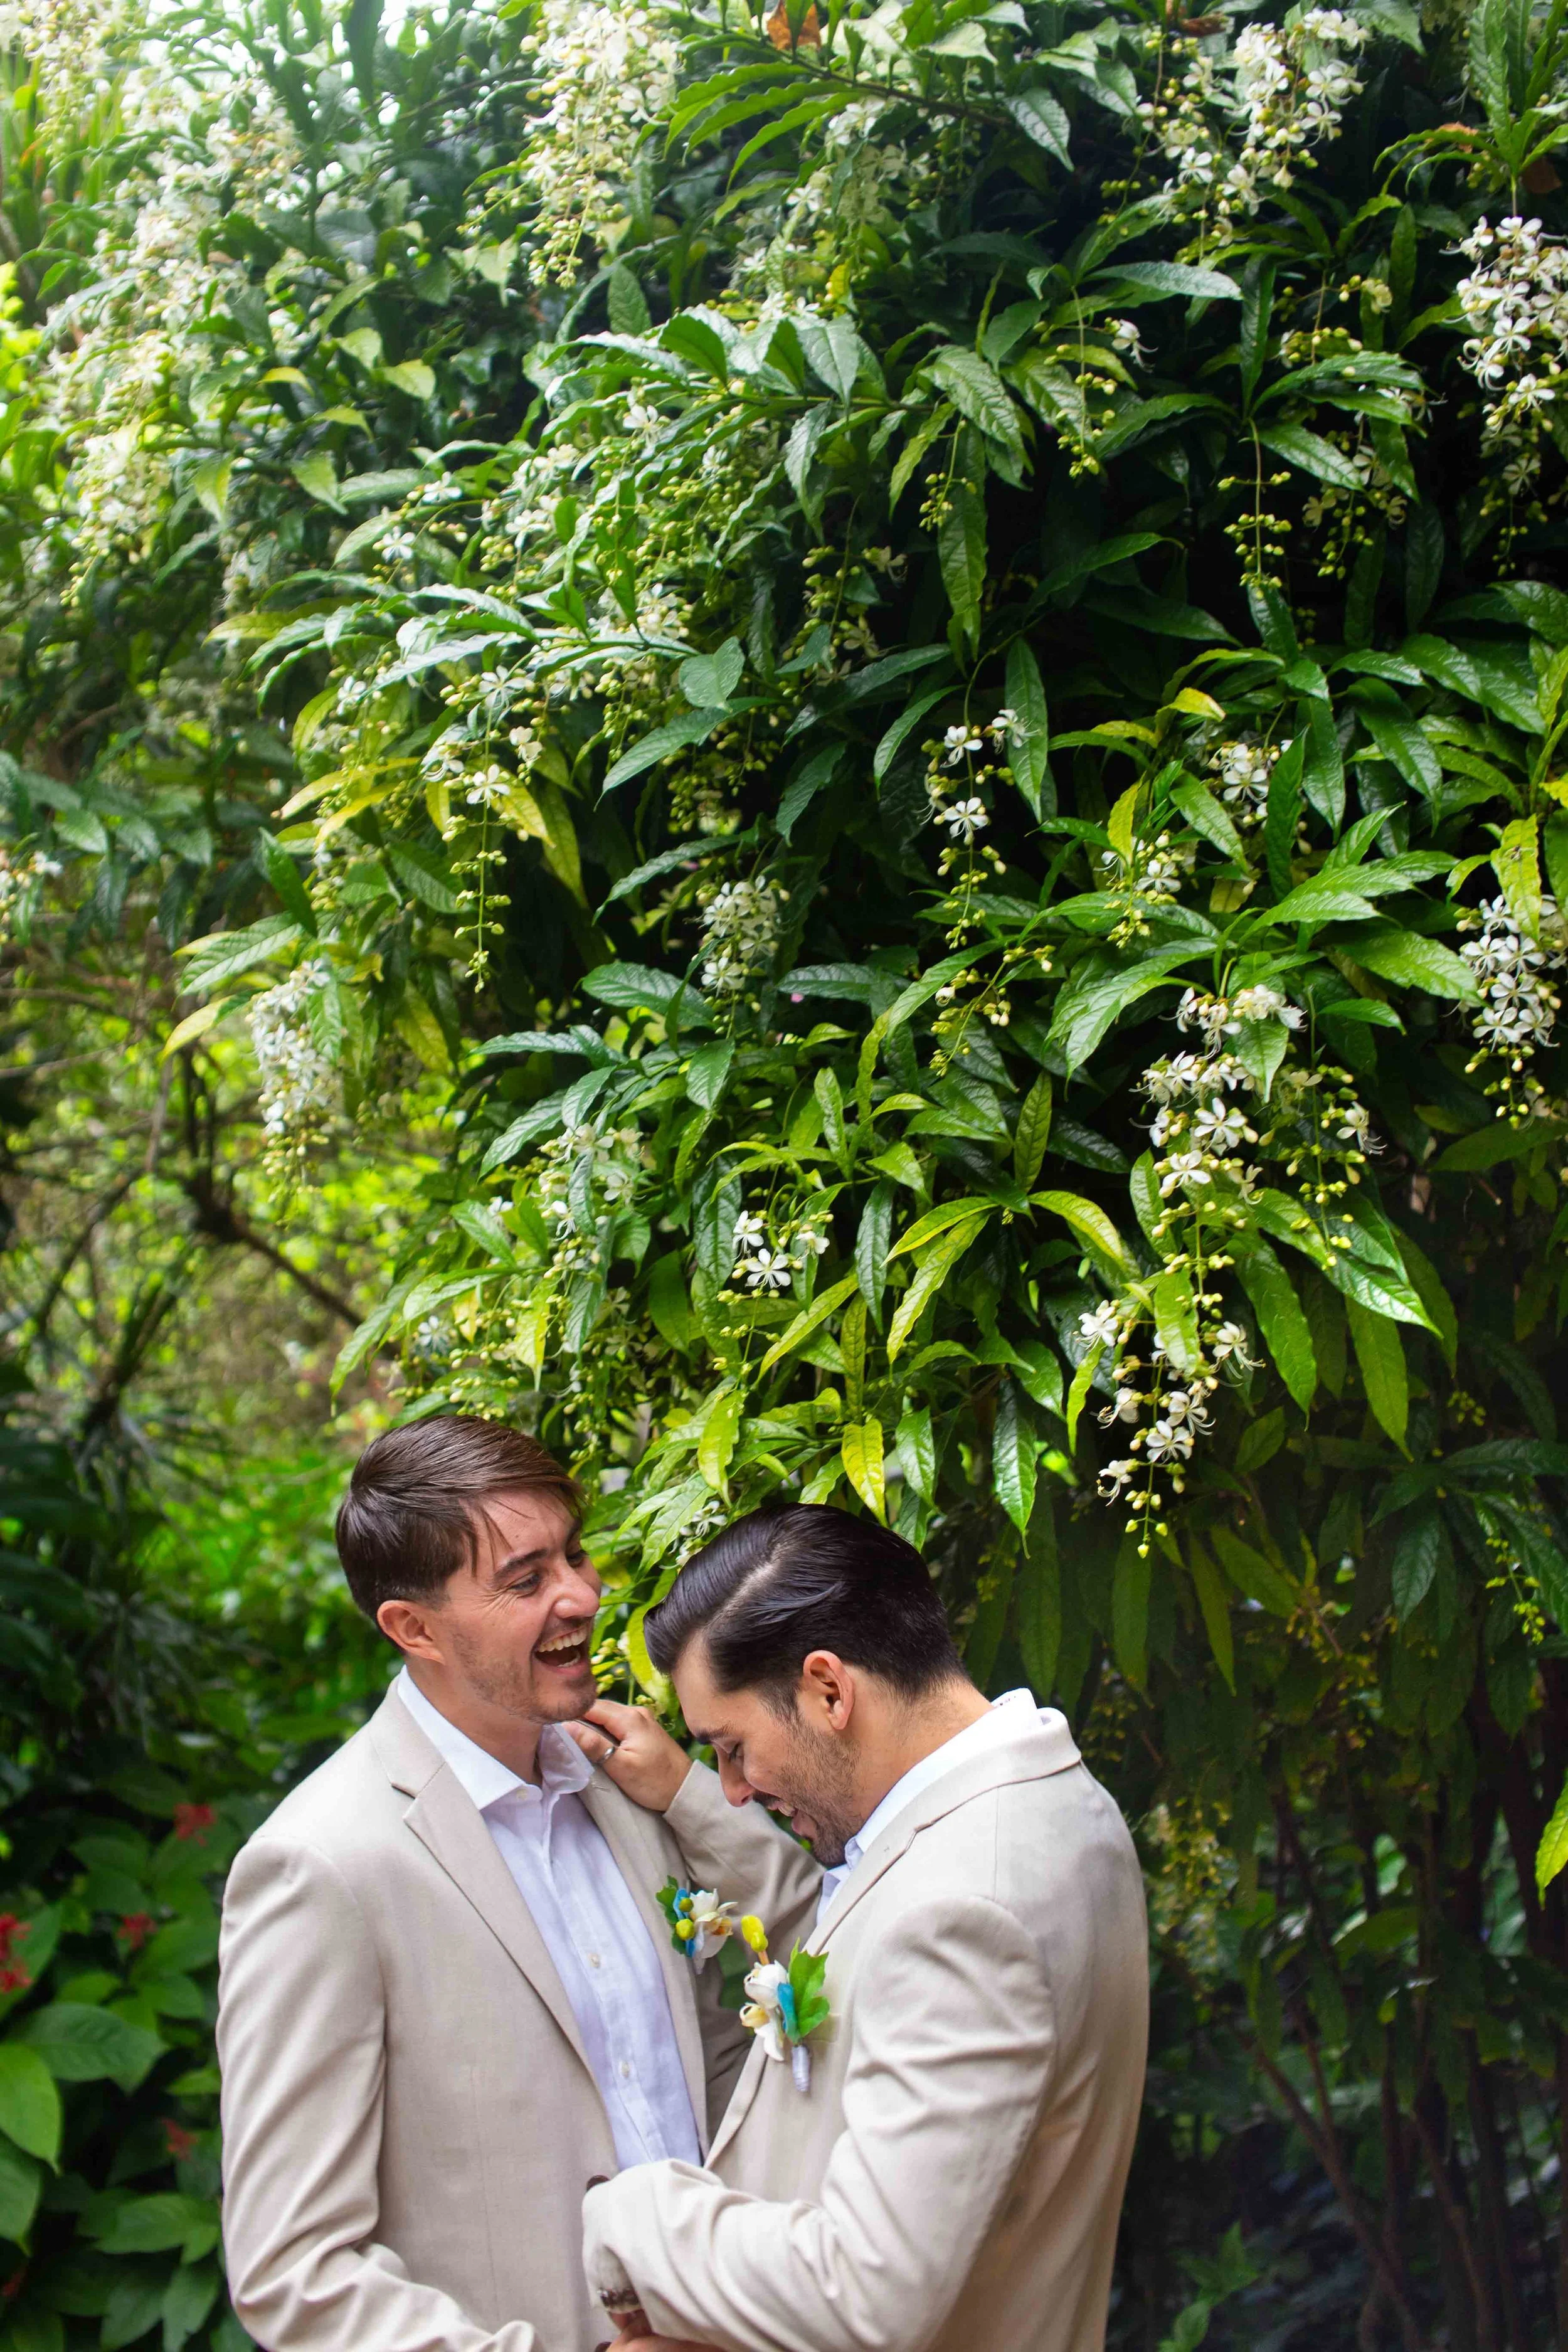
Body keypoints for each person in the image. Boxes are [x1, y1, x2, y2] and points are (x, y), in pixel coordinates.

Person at [216, 1417, 817, 2352]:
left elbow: (801, 1971)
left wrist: (693, 1798)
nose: (583, 1594)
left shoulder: (630, 1791)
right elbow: (294, 2269)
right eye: (527, 1579)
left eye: (574, 1554)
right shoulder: (321, 1867)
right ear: (413, 1628)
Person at [579, 1502, 1149, 2352]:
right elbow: (853, 1928)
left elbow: (867, 2291)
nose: (733, 1786)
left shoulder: (964, 1913)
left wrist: (633, 2210)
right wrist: (685, 1795)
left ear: (830, 1688)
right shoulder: (1050, 1803)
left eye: (732, 1746)